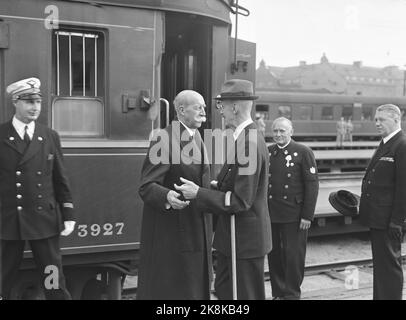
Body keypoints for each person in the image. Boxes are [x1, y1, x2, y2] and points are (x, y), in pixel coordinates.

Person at [175, 79, 272, 300]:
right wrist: (214, 186)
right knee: (226, 294)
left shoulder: (250, 143)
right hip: (236, 239)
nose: (220, 112)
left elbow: (240, 200)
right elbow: (235, 184)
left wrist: (199, 193)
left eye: (222, 106)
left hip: (243, 241)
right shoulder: (244, 139)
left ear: (235, 107)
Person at [0, 77, 76, 300]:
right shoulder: (1, 135)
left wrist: (68, 213)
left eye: (38, 102)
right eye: (29, 102)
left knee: (52, 276)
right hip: (8, 219)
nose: (35, 108)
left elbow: (60, 179)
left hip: (44, 219)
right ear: (16, 102)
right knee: (2, 276)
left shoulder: (49, 136)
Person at [137, 90, 212, 300]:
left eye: (204, 107)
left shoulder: (196, 136)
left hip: (196, 231)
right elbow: (146, 186)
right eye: (198, 107)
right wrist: (167, 195)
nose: (204, 112)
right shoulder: (164, 139)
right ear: (181, 110)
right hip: (174, 237)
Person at [267, 117, 319, 300]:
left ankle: (291, 295)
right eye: (275, 131)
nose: (278, 135)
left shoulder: (303, 152)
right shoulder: (269, 152)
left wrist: (307, 215)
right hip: (272, 213)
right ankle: (278, 293)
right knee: (274, 256)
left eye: (282, 131)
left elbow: (312, 186)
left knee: (293, 257)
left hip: (295, 215)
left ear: (291, 132)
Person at [359, 104, 406, 300]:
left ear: (396, 120)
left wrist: (397, 221)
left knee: (389, 268)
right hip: (378, 218)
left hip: (388, 220)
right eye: (376, 120)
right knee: (381, 267)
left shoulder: (401, 145)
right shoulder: (386, 143)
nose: (377, 123)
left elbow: (404, 187)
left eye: (382, 120)